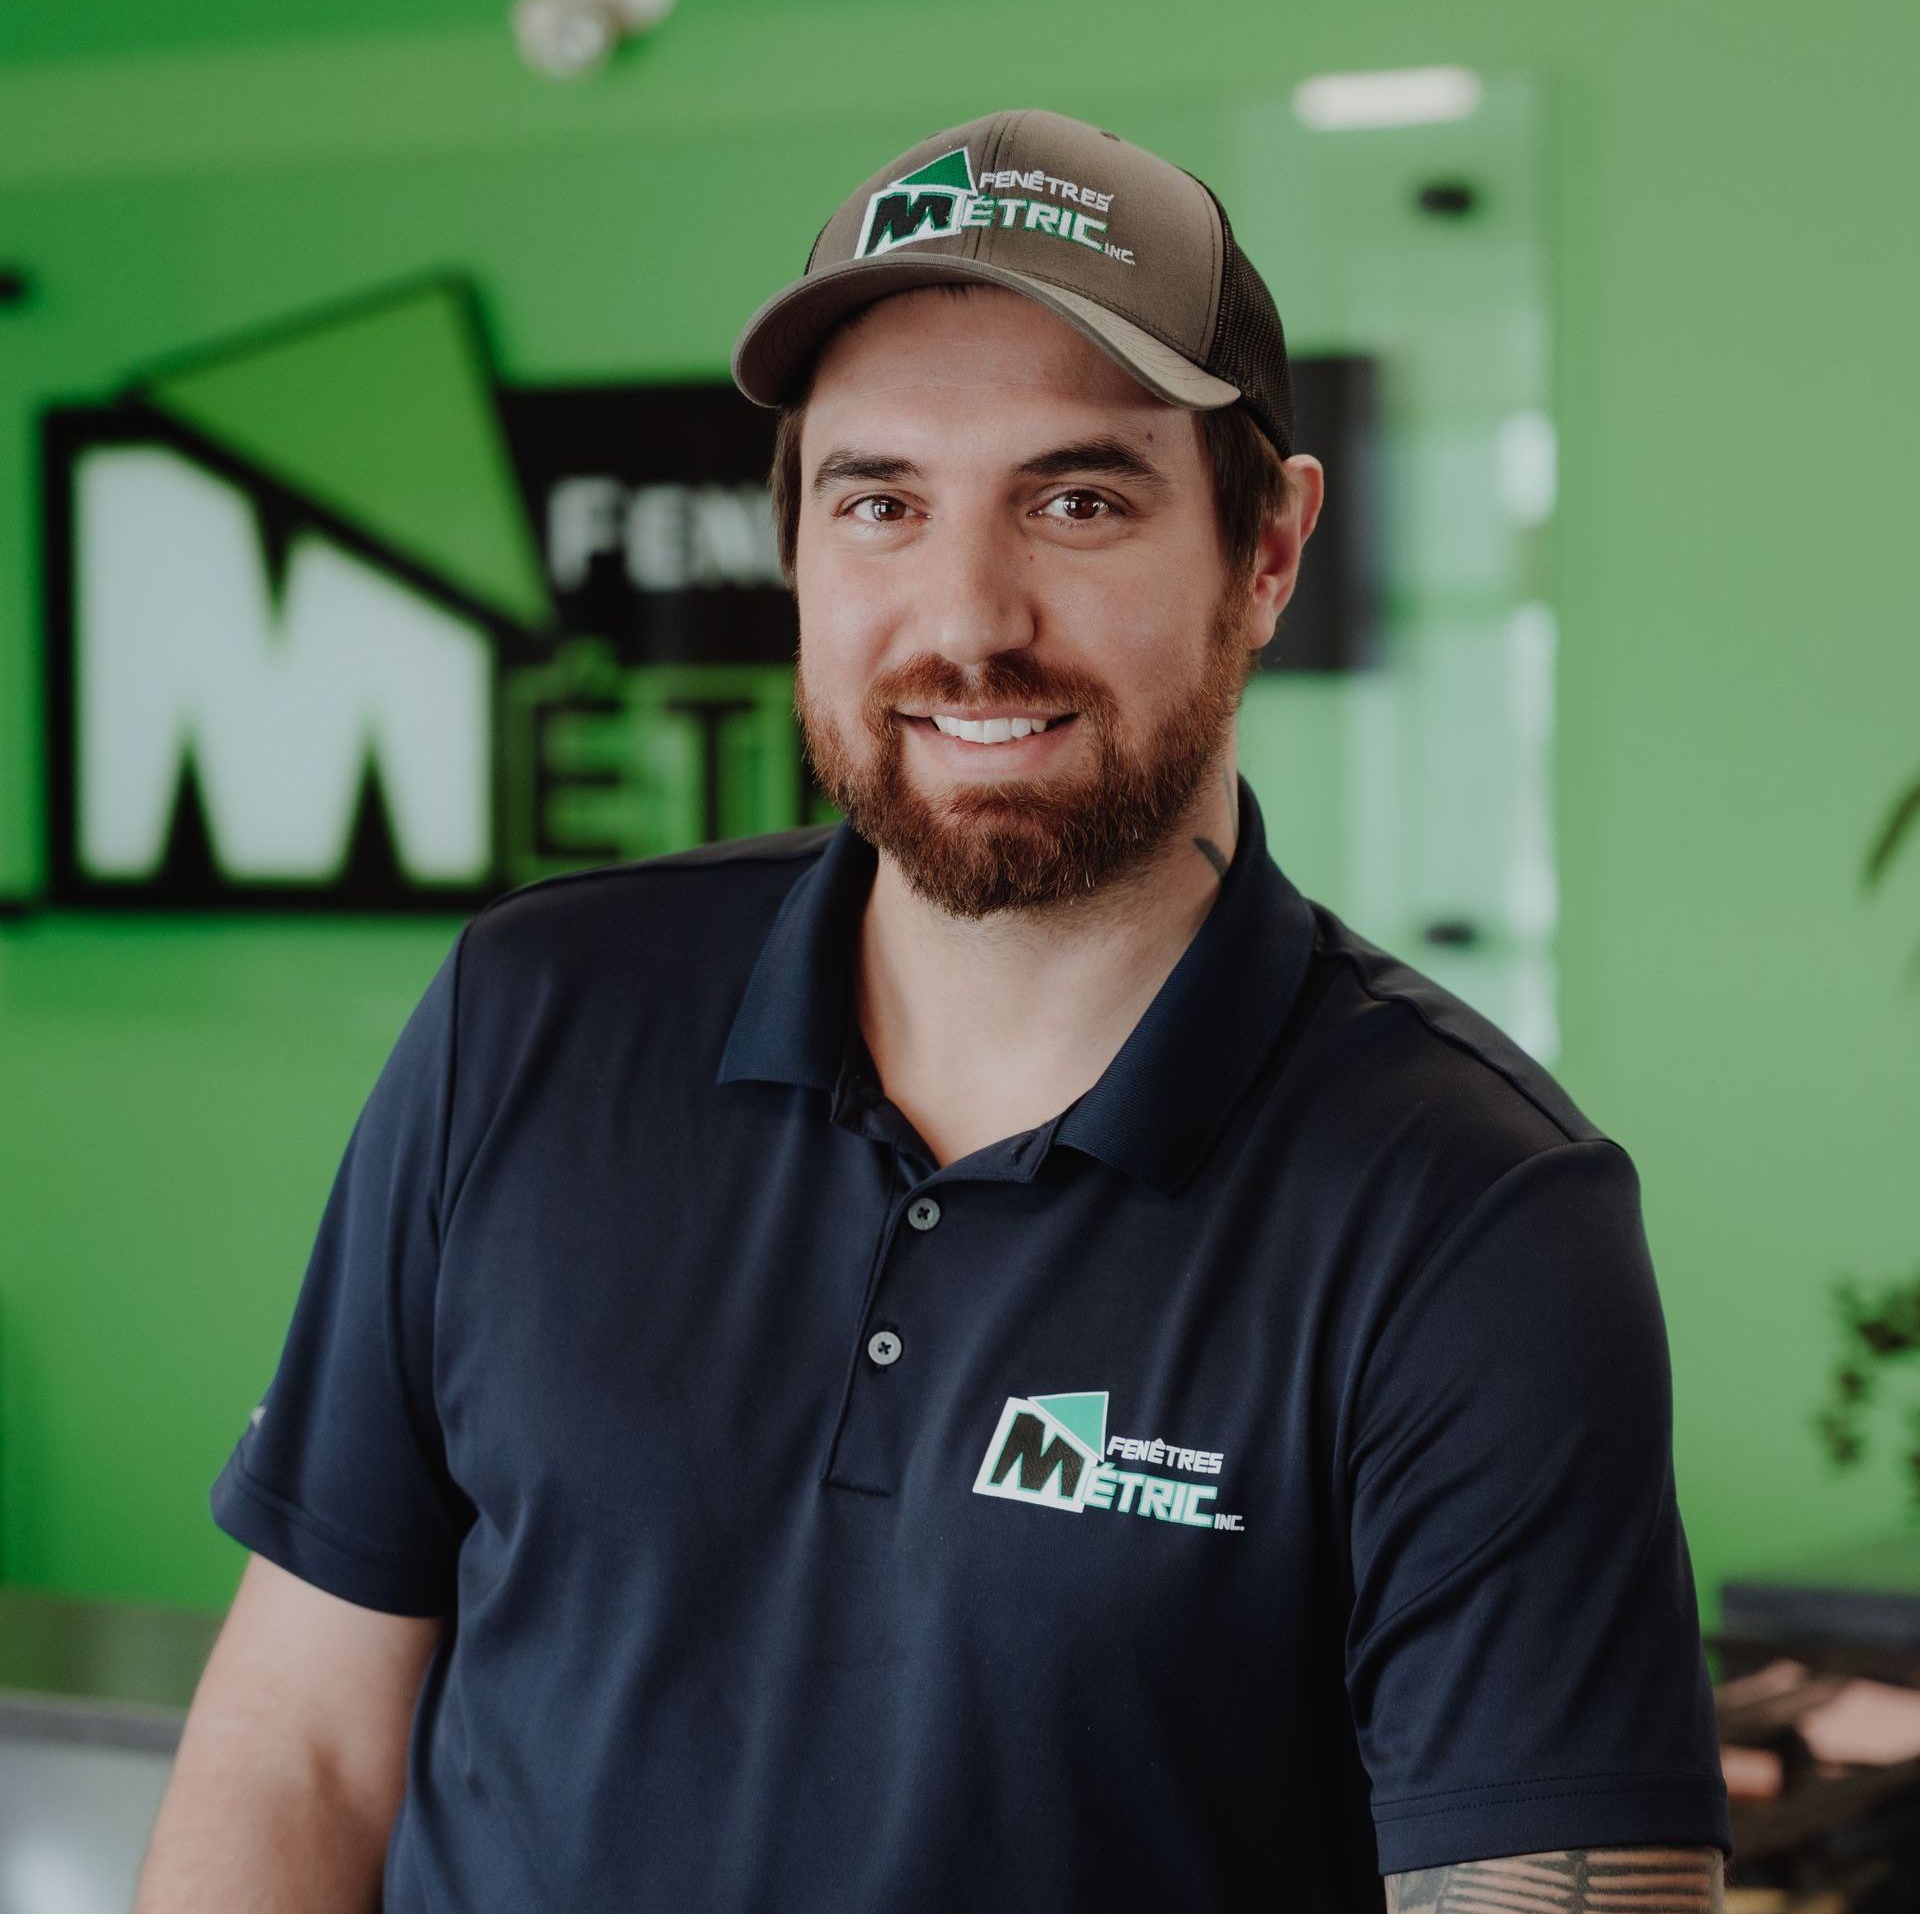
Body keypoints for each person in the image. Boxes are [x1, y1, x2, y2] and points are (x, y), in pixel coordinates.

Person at [136, 109, 1734, 1913]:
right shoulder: (534, 1014)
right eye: (880, 500)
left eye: (1078, 499)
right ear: (797, 546)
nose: (967, 620)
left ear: (1266, 549)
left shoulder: (1471, 1214)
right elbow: (305, 1741)